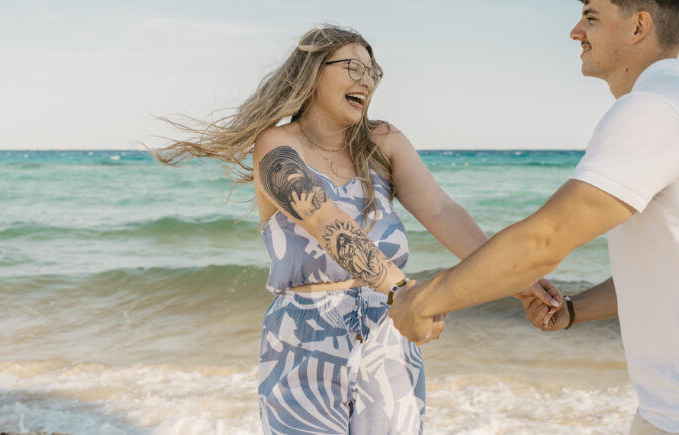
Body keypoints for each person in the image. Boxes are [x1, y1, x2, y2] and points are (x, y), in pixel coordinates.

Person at [389, 0, 679, 434]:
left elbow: (543, 242)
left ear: (638, 27)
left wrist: (425, 300)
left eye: (591, 17)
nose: (576, 32)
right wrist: (571, 312)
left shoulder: (653, 111)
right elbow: (666, 272)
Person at [151, 25, 554, 435]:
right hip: (301, 347)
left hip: (389, 341)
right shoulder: (275, 146)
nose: (366, 80)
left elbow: (441, 211)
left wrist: (511, 275)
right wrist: (405, 292)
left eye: (373, 72)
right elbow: (327, 223)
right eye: (353, 68)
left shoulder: (385, 142)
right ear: (312, 72)